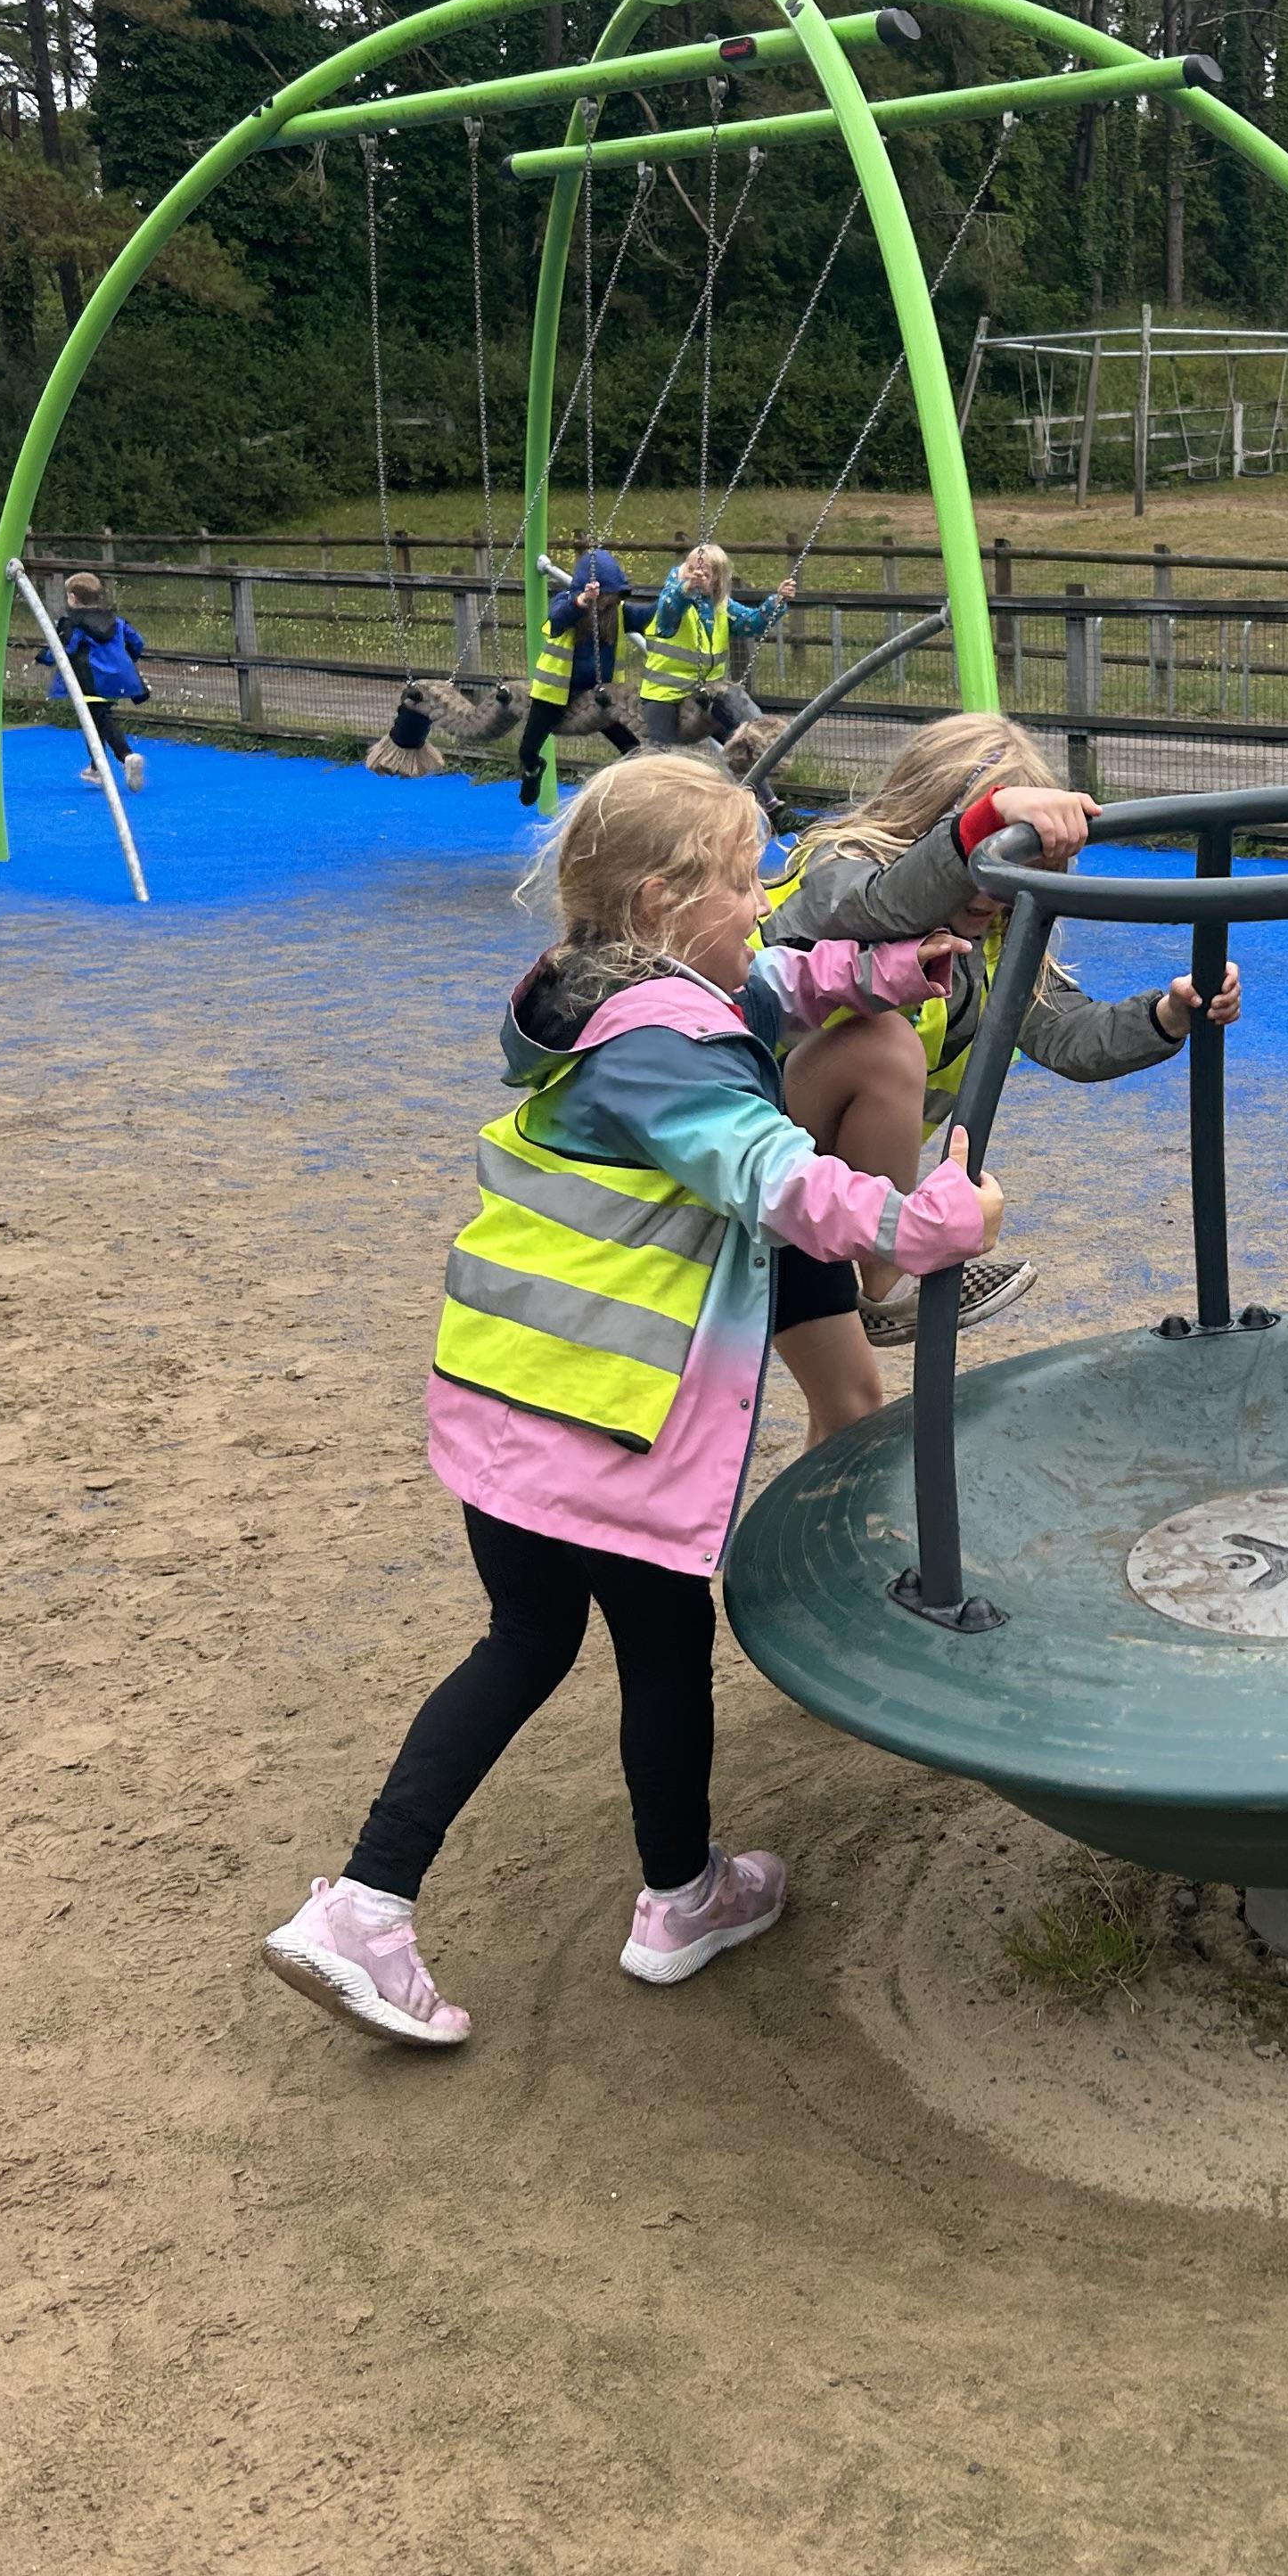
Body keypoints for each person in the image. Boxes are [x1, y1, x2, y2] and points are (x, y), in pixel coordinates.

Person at [261, 752, 1000, 2052]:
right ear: (664, 900)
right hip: (607, 1421)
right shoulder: (668, 1053)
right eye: (743, 881)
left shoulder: (601, 992)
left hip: (509, 1403)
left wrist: (879, 973)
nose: (764, 903)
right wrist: (929, 1223)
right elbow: (780, 1181)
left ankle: (428, 1899)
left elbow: (766, 985)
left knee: (529, 1641)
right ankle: (605, 1897)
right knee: (655, 1651)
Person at [759, 710, 1243, 1383]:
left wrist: (1166, 1015)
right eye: (986, 860)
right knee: (884, 1044)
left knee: (852, 1404)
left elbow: (1066, 1034)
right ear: (931, 826)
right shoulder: (842, 874)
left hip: (832, 1203)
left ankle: (880, 1276)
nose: (994, 891)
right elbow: (882, 906)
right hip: (753, 1144)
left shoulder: (994, 941)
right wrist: (980, 826)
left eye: (1020, 867)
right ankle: (890, 1272)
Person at [515, 546, 653, 806]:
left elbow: (648, 616)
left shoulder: (617, 613)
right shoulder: (566, 604)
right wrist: (581, 602)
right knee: (527, 750)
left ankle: (642, 777)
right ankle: (533, 769)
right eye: (603, 599)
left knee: (628, 743)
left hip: (597, 694)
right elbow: (557, 618)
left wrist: (674, 598)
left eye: (611, 598)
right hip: (555, 692)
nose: (606, 604)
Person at [637, 542, 798, 747]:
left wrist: (776, 603)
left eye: (704, 573)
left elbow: (751, 623)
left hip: (708, 693)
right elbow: (669, 612)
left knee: (742, 729)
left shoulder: (721, 607)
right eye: (690, 568)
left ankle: (762, 748)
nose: (695, 575)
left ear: (716, 581)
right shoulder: (672, 597)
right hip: (663, 694)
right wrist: (686, 589)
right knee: (659, 750)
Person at [42, 571, 149, 791]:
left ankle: (125, 756)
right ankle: (96, 766)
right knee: (96, 717)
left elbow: (66, 649)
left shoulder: (75, 624)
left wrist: (44, 657)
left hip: (91, 679)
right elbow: (137, 641)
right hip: (117, 678)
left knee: (99, 718)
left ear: (73, 598)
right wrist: (126, 659)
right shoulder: (116, 621)